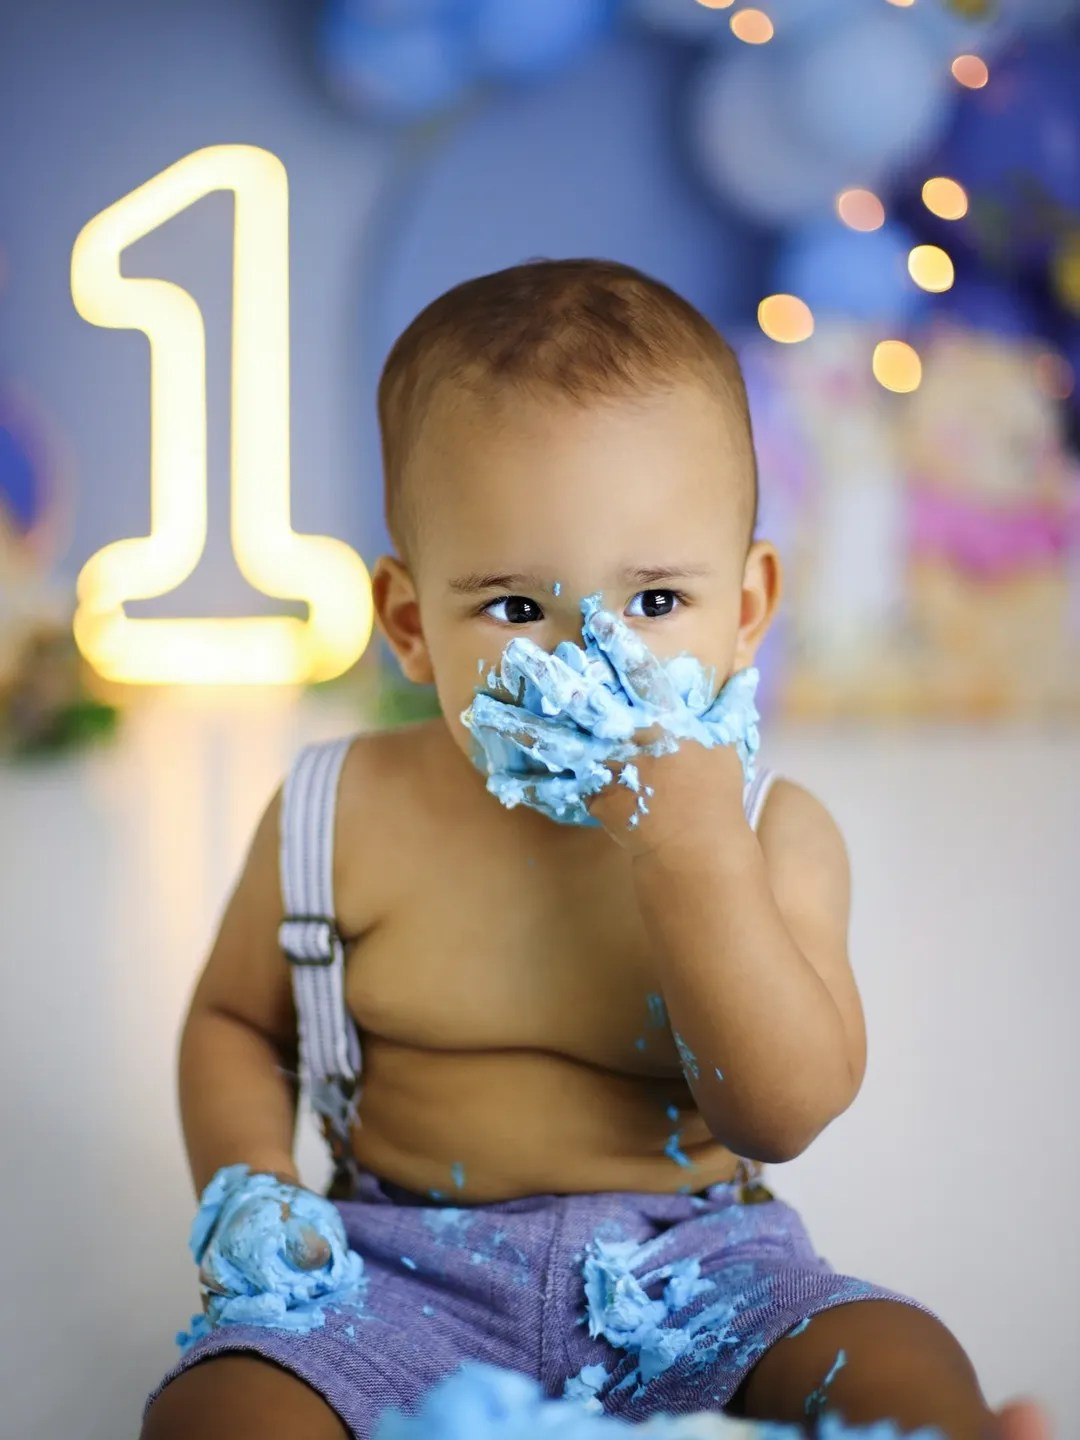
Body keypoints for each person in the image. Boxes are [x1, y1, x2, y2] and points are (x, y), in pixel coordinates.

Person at [141, 259, 1050, 1440]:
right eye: (517, 610)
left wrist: (693, 852)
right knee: (220, 1412)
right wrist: (250, 1185)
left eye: (659, 602)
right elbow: (234, 1025)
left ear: (749, 606)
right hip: (388, 1278)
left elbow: (781, 1112)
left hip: (707, 1267)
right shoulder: (337, 812)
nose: (599, 659)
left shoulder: (775, 829)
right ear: (414, 627)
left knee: (893, 1353)